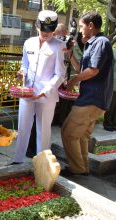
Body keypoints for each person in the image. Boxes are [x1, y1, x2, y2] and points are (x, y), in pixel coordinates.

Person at [61, 12, 114, 175]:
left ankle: (76, 168)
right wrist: (70, 56)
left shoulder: (101, 42)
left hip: (91, 100)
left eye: (82, 25)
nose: (81, 29)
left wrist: (72, 81)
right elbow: (83, 70)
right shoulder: (94, 43)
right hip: (97, 100)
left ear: (91, 25)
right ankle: (83, 167)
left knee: (68, 133)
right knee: (82, 136)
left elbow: (92, 71)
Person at [11, 10, 67, 164]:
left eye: (49, 31)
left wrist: (44, 92)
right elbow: (25, 64)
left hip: (46, 96)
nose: (46, 33)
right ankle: (17, 160)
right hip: (27, 92)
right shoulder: (28, 42)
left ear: (54, 29)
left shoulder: (59, 46)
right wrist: (22, 72)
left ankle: (42, 165)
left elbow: (60, 74)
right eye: (43, 30)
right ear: (37, 26)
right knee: (23, 128)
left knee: (43, 131)